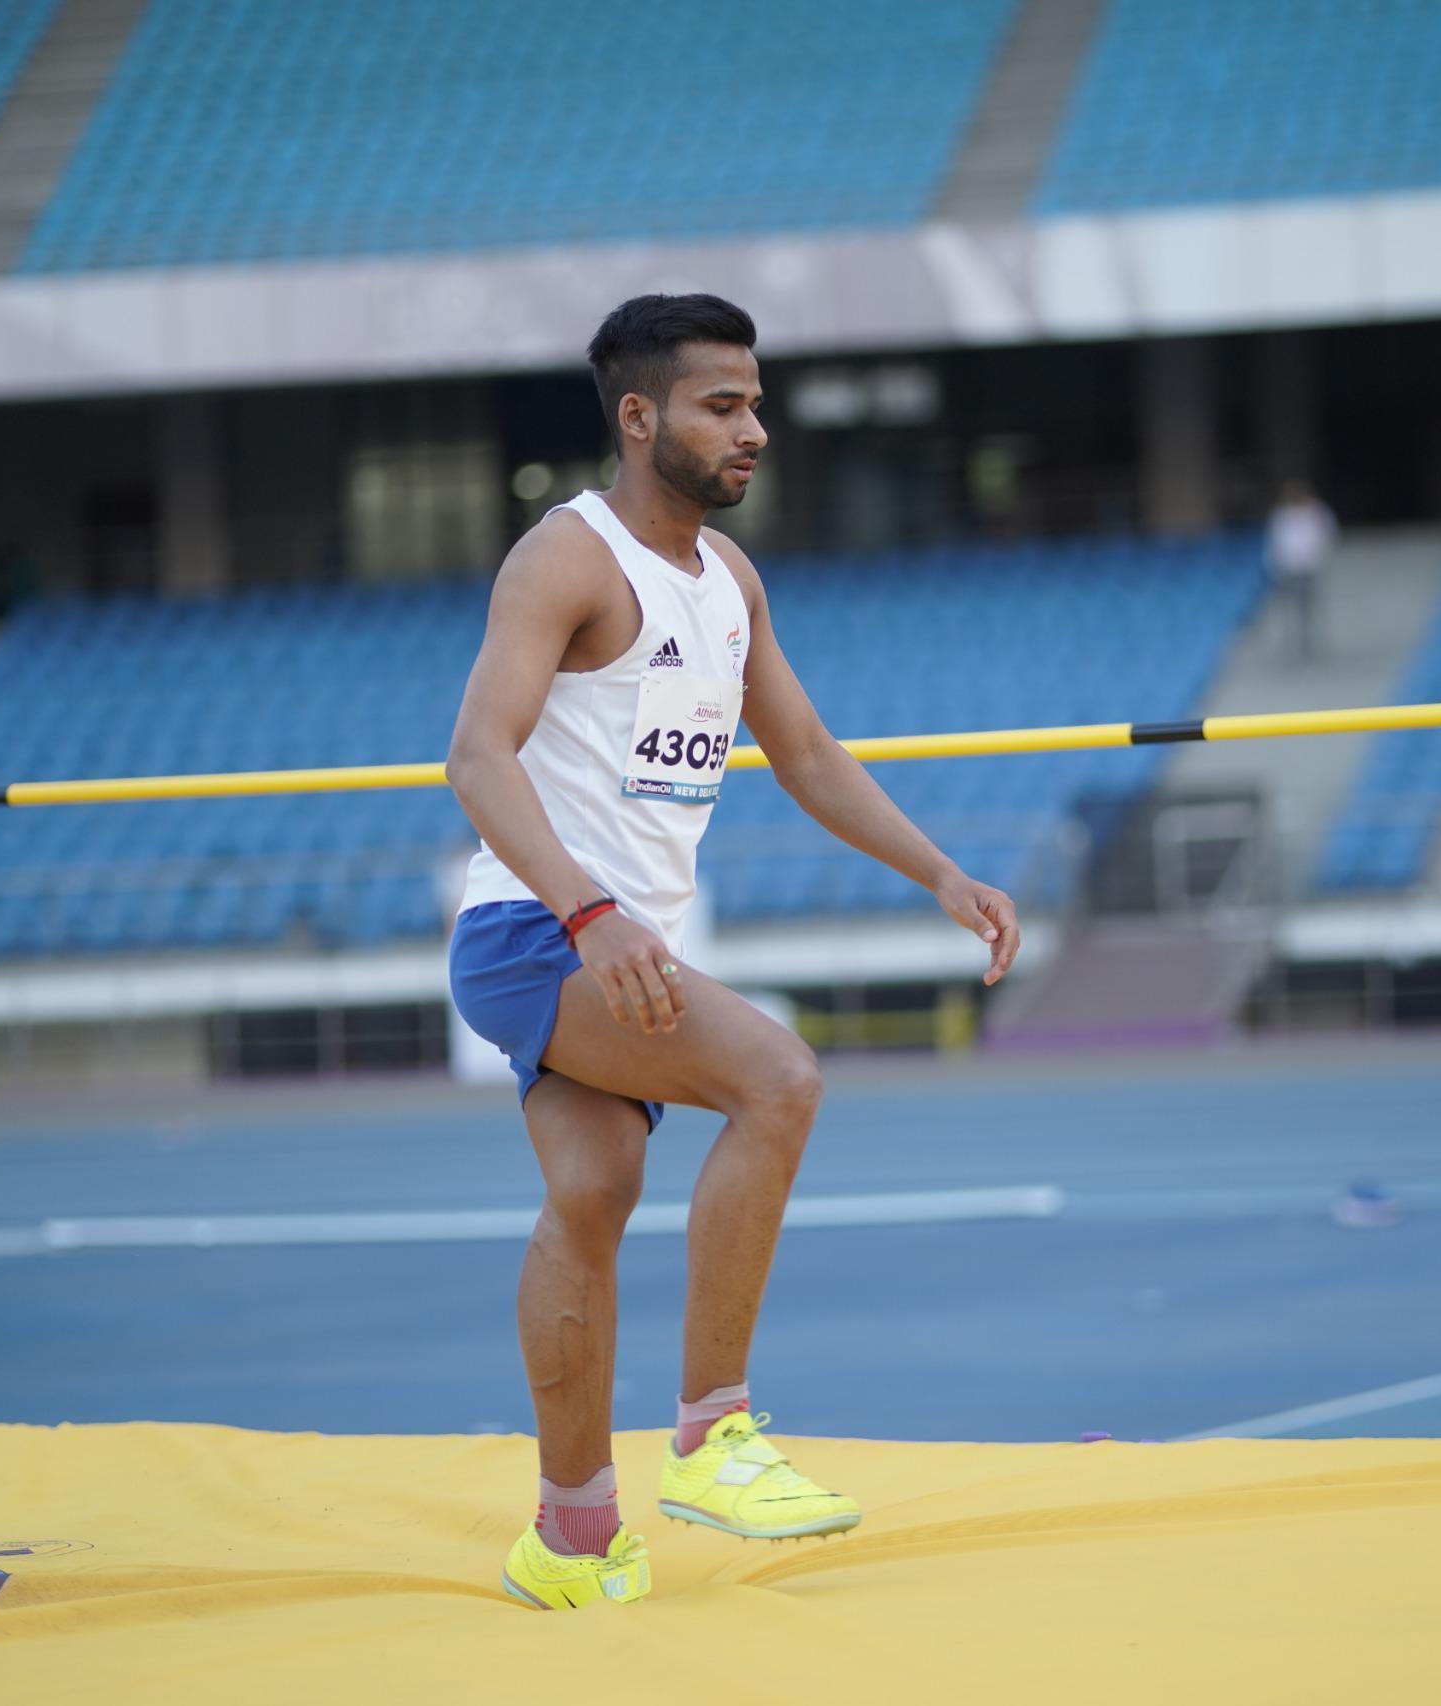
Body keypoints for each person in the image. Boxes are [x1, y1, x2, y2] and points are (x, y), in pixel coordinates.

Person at [444, 294, 1021, 1611]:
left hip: (614, 946)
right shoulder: (568, 558)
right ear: (640, 416)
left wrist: (941, 872)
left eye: (758, 403)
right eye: (724, 404)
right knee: (779, 1077)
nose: (755, 429)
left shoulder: (728, 580)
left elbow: (806, 754)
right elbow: (477, 755)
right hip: (538, 932)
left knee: (592, 1193)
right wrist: (592, 914)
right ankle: (714, 1429)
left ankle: (571, 1535)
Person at [1264, 479, 1337, 660]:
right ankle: (1292, 643)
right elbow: (1276, 541)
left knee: (1308, 605)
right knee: (1290, 605)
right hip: (1289, 566)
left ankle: (1309, 642)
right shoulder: (1281, 515)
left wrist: (1319, 555)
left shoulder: (1317, 512)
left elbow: (1328, 534)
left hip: (1309, 565)